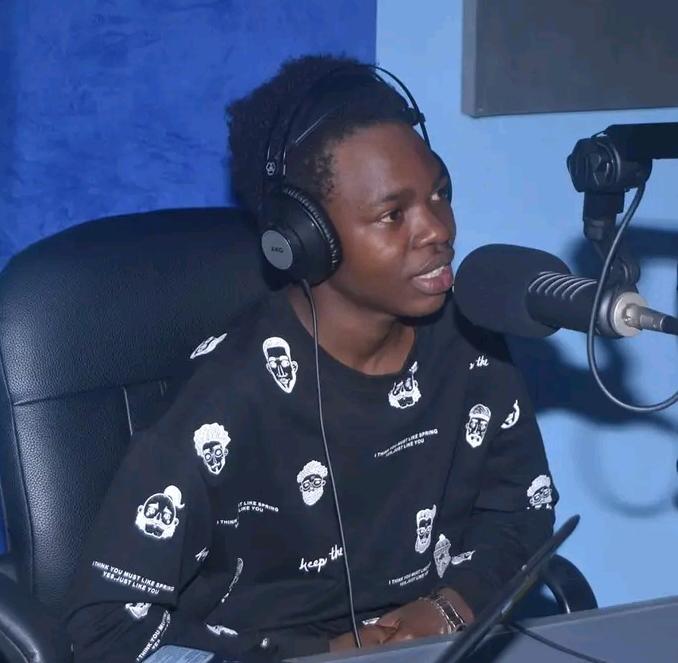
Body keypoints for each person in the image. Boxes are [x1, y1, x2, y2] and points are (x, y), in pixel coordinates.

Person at [65, 54, 557, 662]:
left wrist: (452, 606)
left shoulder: (470, 340)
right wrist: (324, 653)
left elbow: (520, 512)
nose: (438, 230)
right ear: (305, 238)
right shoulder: (225, 397)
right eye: (392, 215)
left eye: (440, 194)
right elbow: (106, 629)